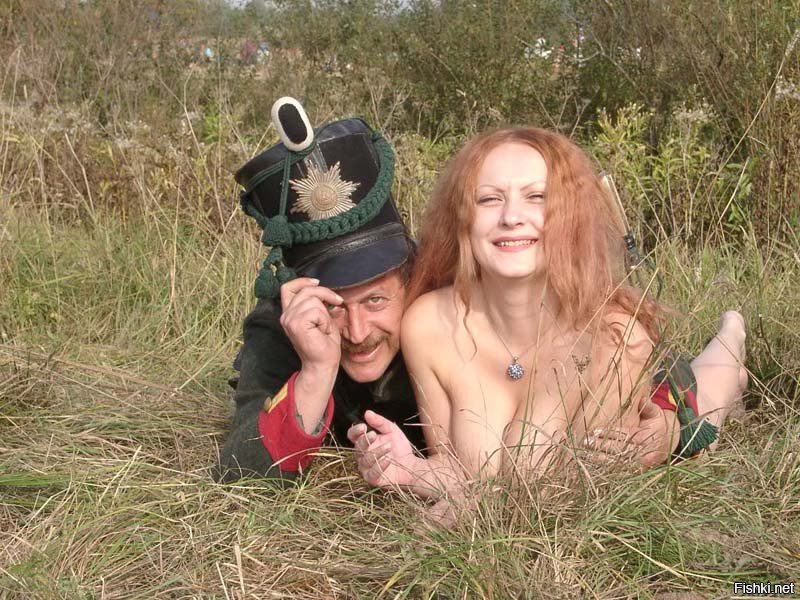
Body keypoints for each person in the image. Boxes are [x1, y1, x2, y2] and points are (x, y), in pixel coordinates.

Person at [346, 127, 747, 507]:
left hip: (664, 391)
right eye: (489, 199)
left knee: (709, 397)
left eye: (536, 197)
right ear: (463, 219)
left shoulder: (616, 336)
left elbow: (585, 493)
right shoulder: (428, 324)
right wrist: (411, 469)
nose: (511, 217)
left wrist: (667, 431)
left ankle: (732, 335)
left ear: (570, 215)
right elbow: (455, 469)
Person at [214, 97, 425, 482]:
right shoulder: (281, 321)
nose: (357, 333)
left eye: (375, 299)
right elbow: (242, 477)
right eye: (333, 305)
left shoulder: (447, 301)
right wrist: (316, 370)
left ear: (411, 278)